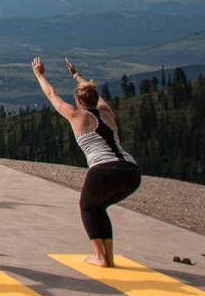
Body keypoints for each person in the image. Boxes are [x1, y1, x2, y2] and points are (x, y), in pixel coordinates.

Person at [32, 57, 140, 268]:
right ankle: (108, 257)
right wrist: (76, 75)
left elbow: (51, 94)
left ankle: (100, 257)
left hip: (103, 169)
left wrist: (39, 75)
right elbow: (94, 95)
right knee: (98, 208)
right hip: (131, 171)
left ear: (79, 101)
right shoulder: (107, 113)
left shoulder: (76, 115)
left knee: (87, 207)